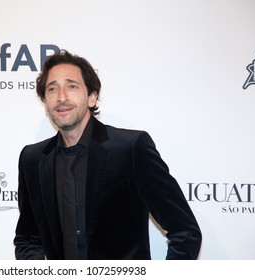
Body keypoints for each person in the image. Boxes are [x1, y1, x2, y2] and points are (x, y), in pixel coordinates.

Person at [14, 50, 202, 260]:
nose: (61, 97)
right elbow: (28, 238)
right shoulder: (32, 159)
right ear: (45, 102)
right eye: (52, 89)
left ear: (92, 97)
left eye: (72, 86)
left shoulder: (131, 148)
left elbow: (185, 232)